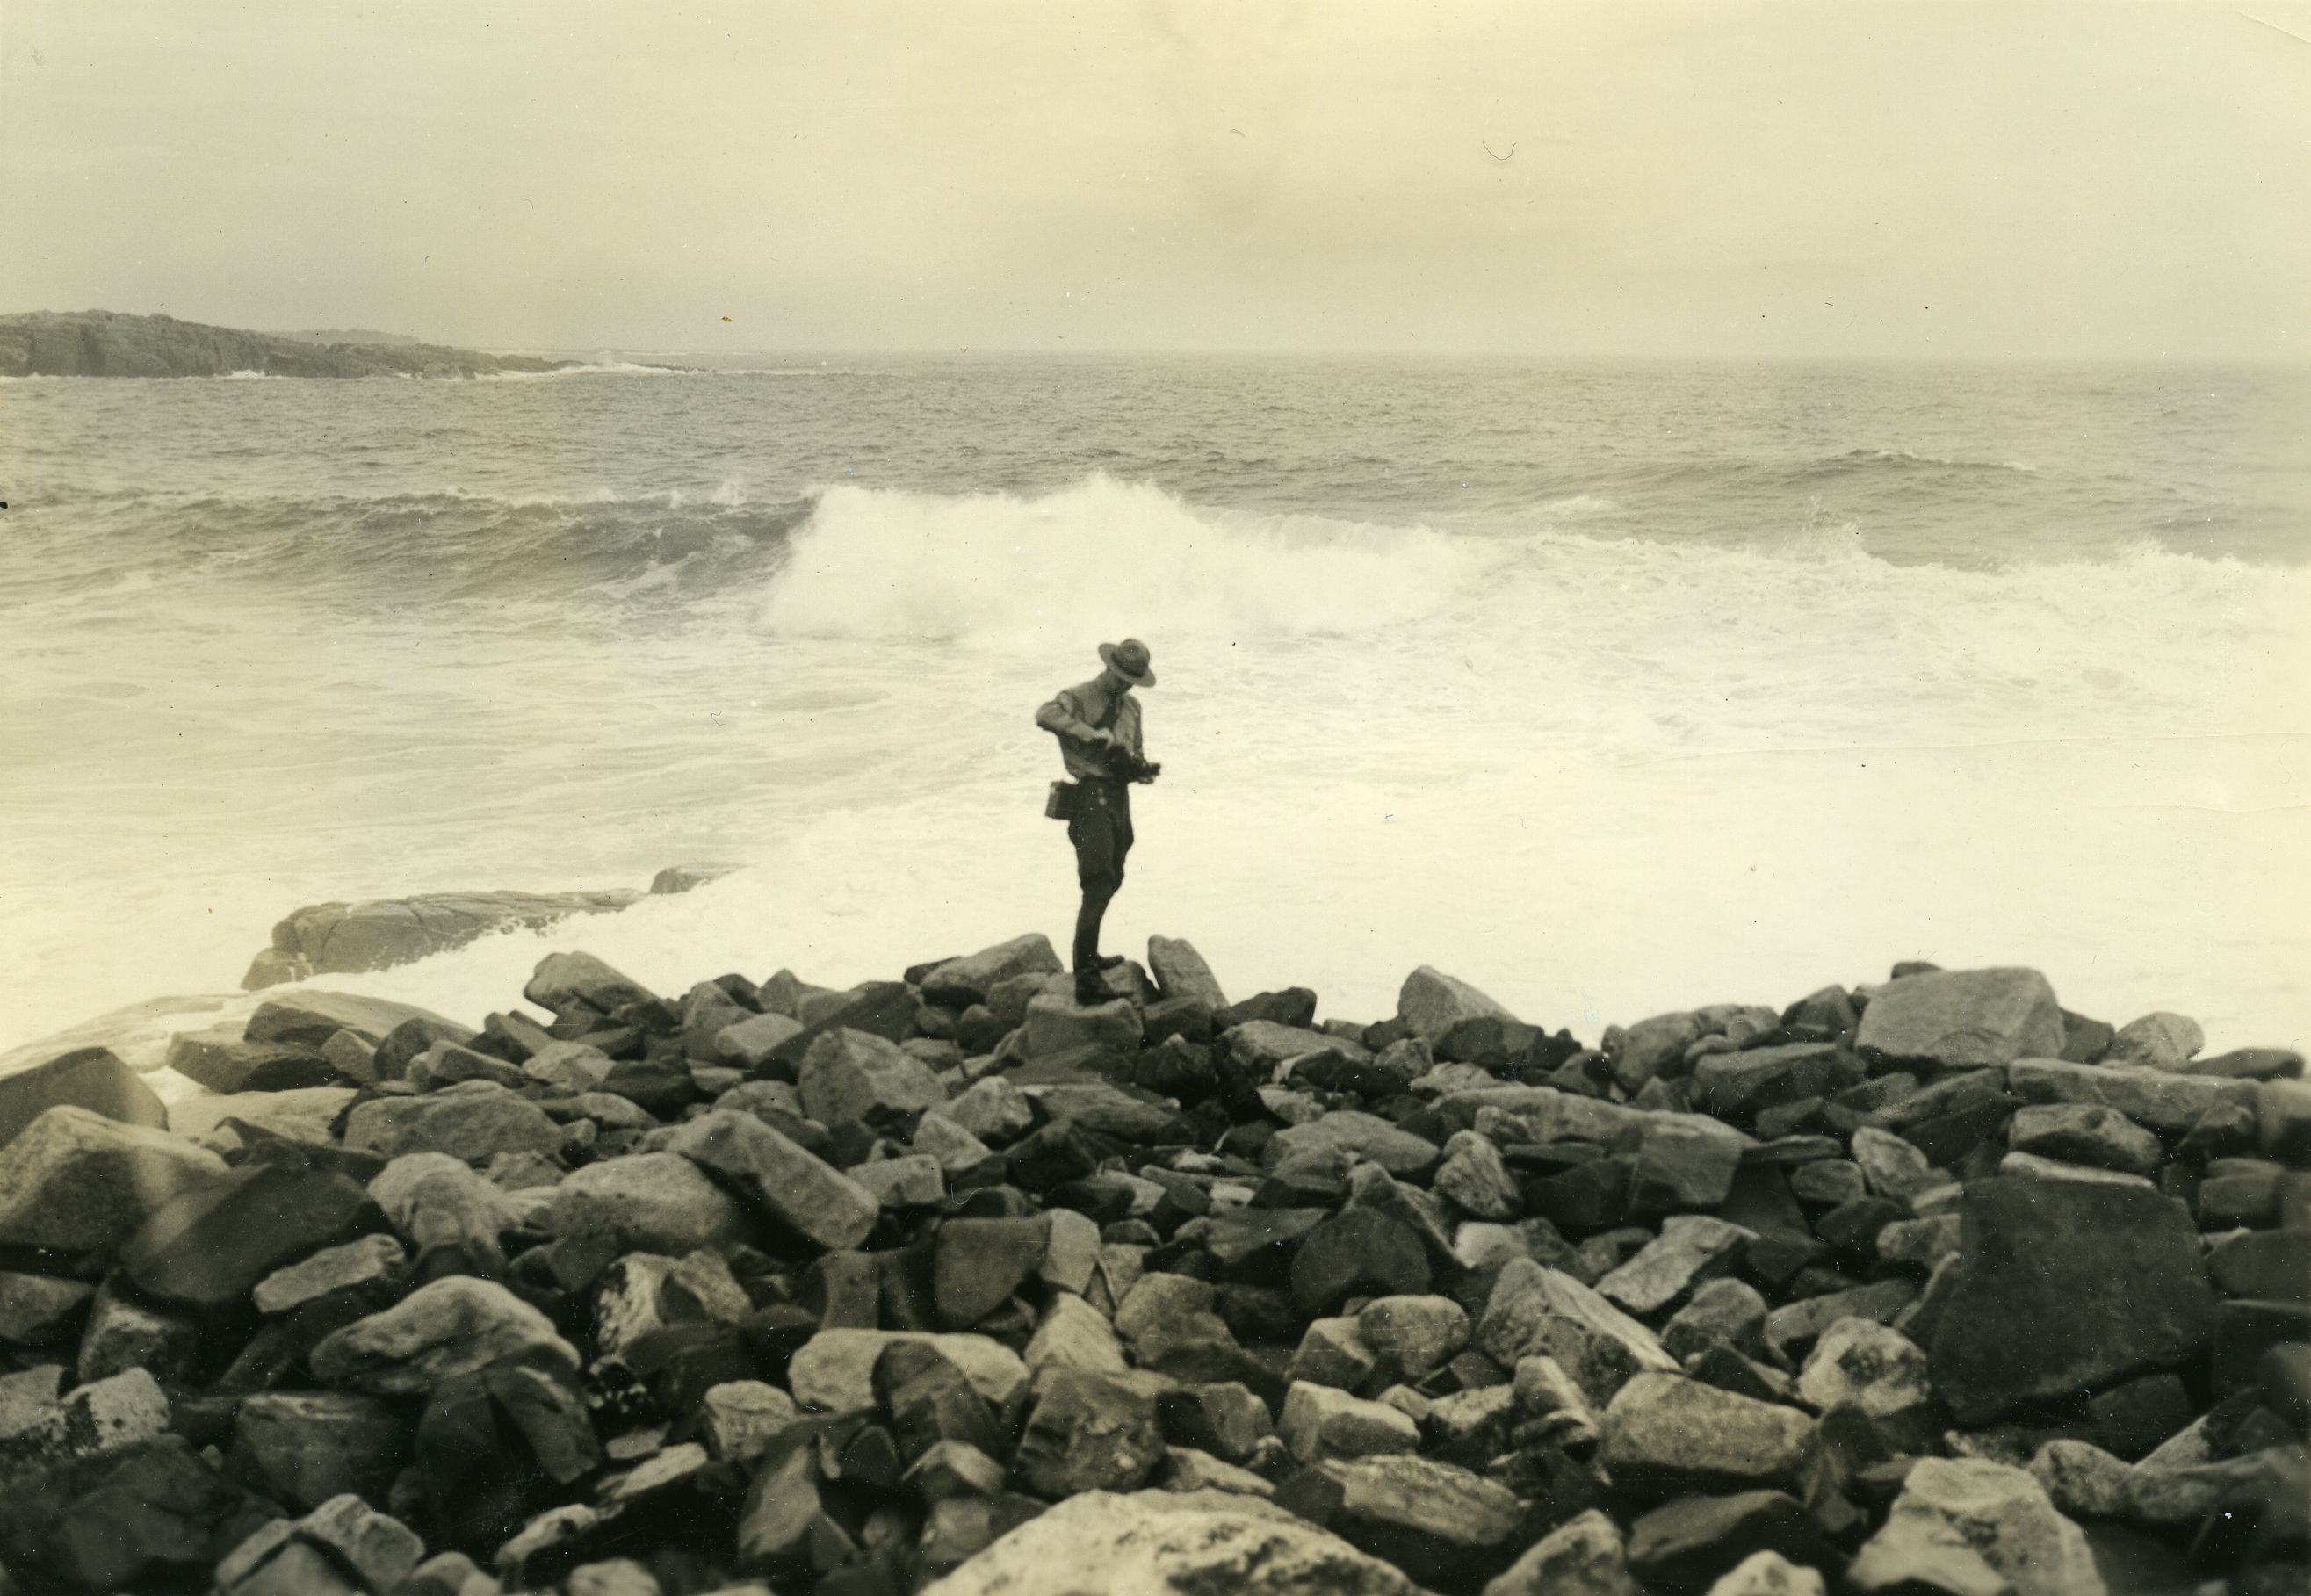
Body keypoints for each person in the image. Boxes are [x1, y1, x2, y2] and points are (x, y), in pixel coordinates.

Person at [1036, 638, 1159, 1006]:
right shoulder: (1078, 696)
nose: (1123, 685)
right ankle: (1086, 980)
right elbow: (1045, 714)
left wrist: (1140, 769)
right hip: (1089, 797)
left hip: (1119, 797)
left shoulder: (1133, 707)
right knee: (1097, 881)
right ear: (1108, 667)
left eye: (1130, 680)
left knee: (1114, 876)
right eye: (1119, 676)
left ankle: (1090, 957)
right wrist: (1091, 735)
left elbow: (1134, 751)